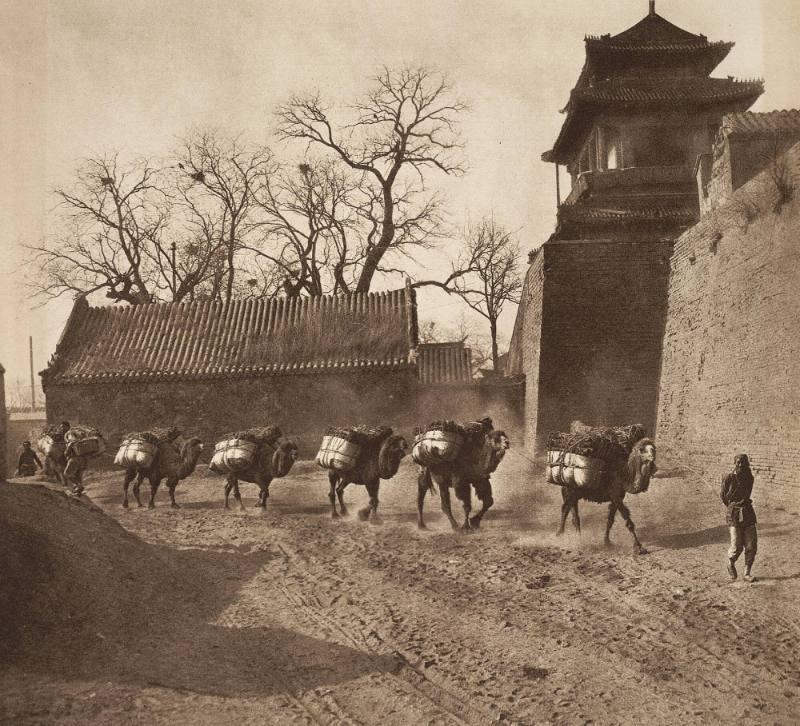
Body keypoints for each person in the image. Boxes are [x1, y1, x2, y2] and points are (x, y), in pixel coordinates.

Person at [721, 453, 757, 582]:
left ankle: (747, 573)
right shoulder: (728, 478)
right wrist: (732, 506)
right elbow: (723, 496)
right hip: (733, 514)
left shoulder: (749, 478)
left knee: (751, 545)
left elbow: (747, 494)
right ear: (735, 464)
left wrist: (741, 504)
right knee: (736, 545)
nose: (740, 465)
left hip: (748, 513)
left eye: (743, 462)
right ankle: (730, 563)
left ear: (747, 464)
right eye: (738, 462)